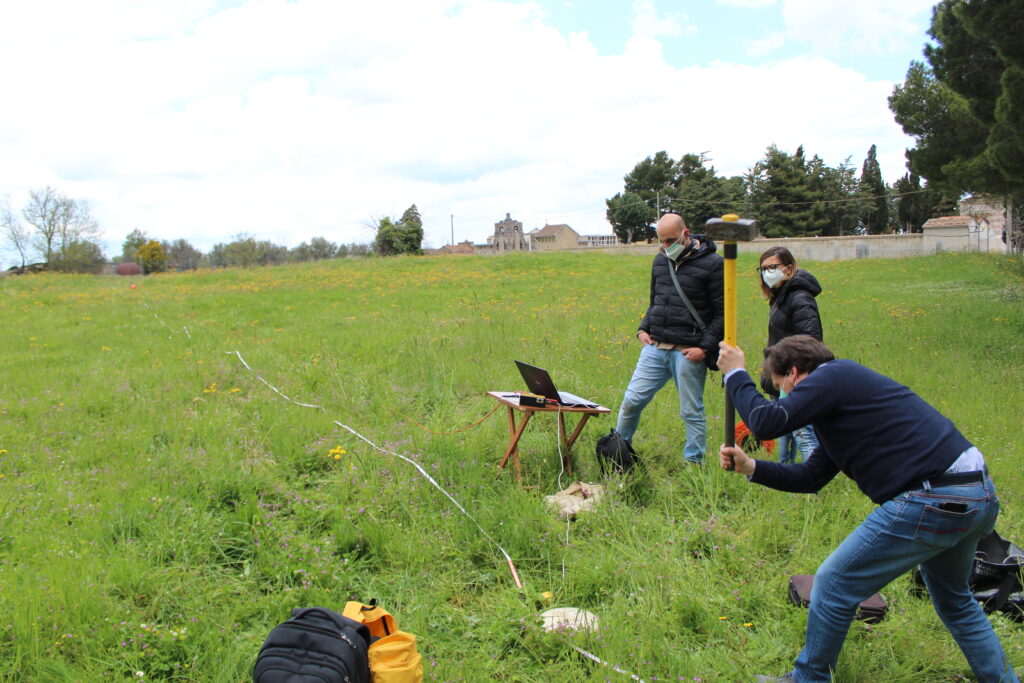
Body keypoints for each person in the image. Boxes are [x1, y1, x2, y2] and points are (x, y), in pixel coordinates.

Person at [716, 335, 1018, 683]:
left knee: (831, 586)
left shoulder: (834, 375)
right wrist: (751, 467)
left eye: (781, 386)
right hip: (975, 496)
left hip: (932, 500)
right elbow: (811, 477)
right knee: (956, 601)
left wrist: (735, 373)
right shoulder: (843, 404)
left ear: (796, 373)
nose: (784, 395)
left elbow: (766, 422)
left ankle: (808, 679)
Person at [615, 213, 723, 465]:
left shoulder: (713, 263)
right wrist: (642, 329)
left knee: (691, 412)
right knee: (631, 401)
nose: (666, 246)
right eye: (662, 241)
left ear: (687, 233)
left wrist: (704, 349)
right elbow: (656, 300)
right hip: (656, 346)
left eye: (671, 240)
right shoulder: (660, 261)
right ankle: (618, 453)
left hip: (689, 350)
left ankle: (694, 463)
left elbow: (722, 314)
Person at [757, 246, 822, 464]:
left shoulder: (800, 298)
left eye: (773, 267)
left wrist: (793, 376)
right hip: (780, 374)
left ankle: (813, 481)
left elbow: (810, 340)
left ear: (789, 268)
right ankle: (784, 472)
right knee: (783, 428)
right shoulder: (780, 296)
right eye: (763, 269)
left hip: (794, 378)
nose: (767, 273)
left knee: (804, 433)